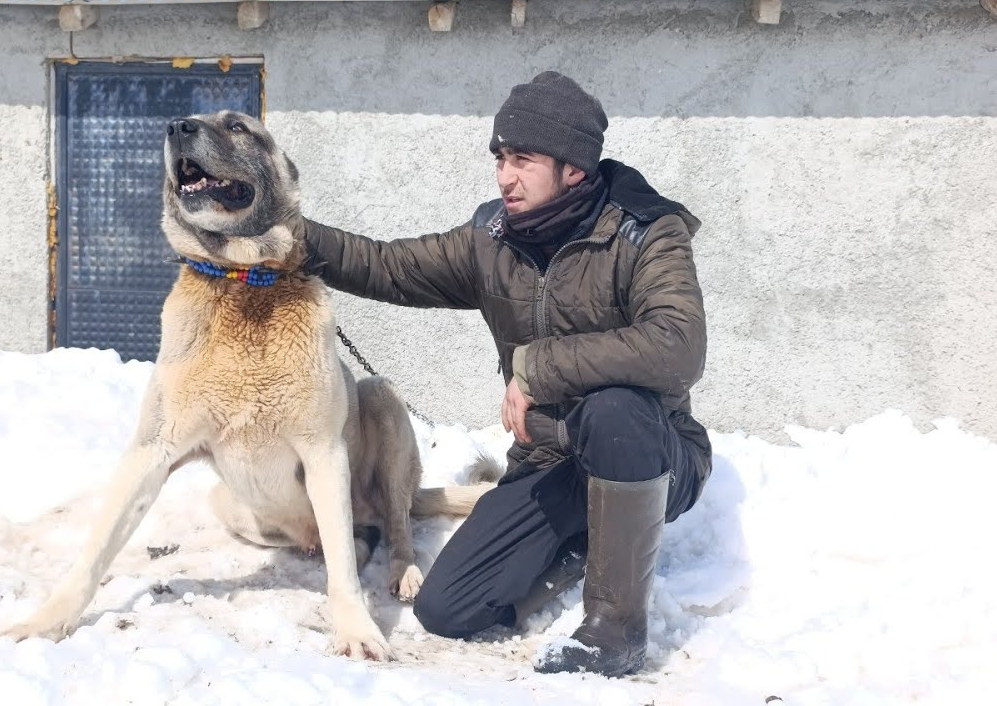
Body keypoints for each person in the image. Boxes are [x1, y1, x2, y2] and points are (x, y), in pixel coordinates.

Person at [298, 71, 711, 677]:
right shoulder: (493, 239)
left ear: (573, 167)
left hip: (655, 453)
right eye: (499, 158)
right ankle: (593, 544)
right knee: (449, 607)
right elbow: (388, 266)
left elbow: (678, 346)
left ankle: (616, 634)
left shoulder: (645, 231)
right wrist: (288, 237)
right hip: (549, 460)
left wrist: (537, 368)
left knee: (612, 407)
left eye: (522, 159)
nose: (504, 176)